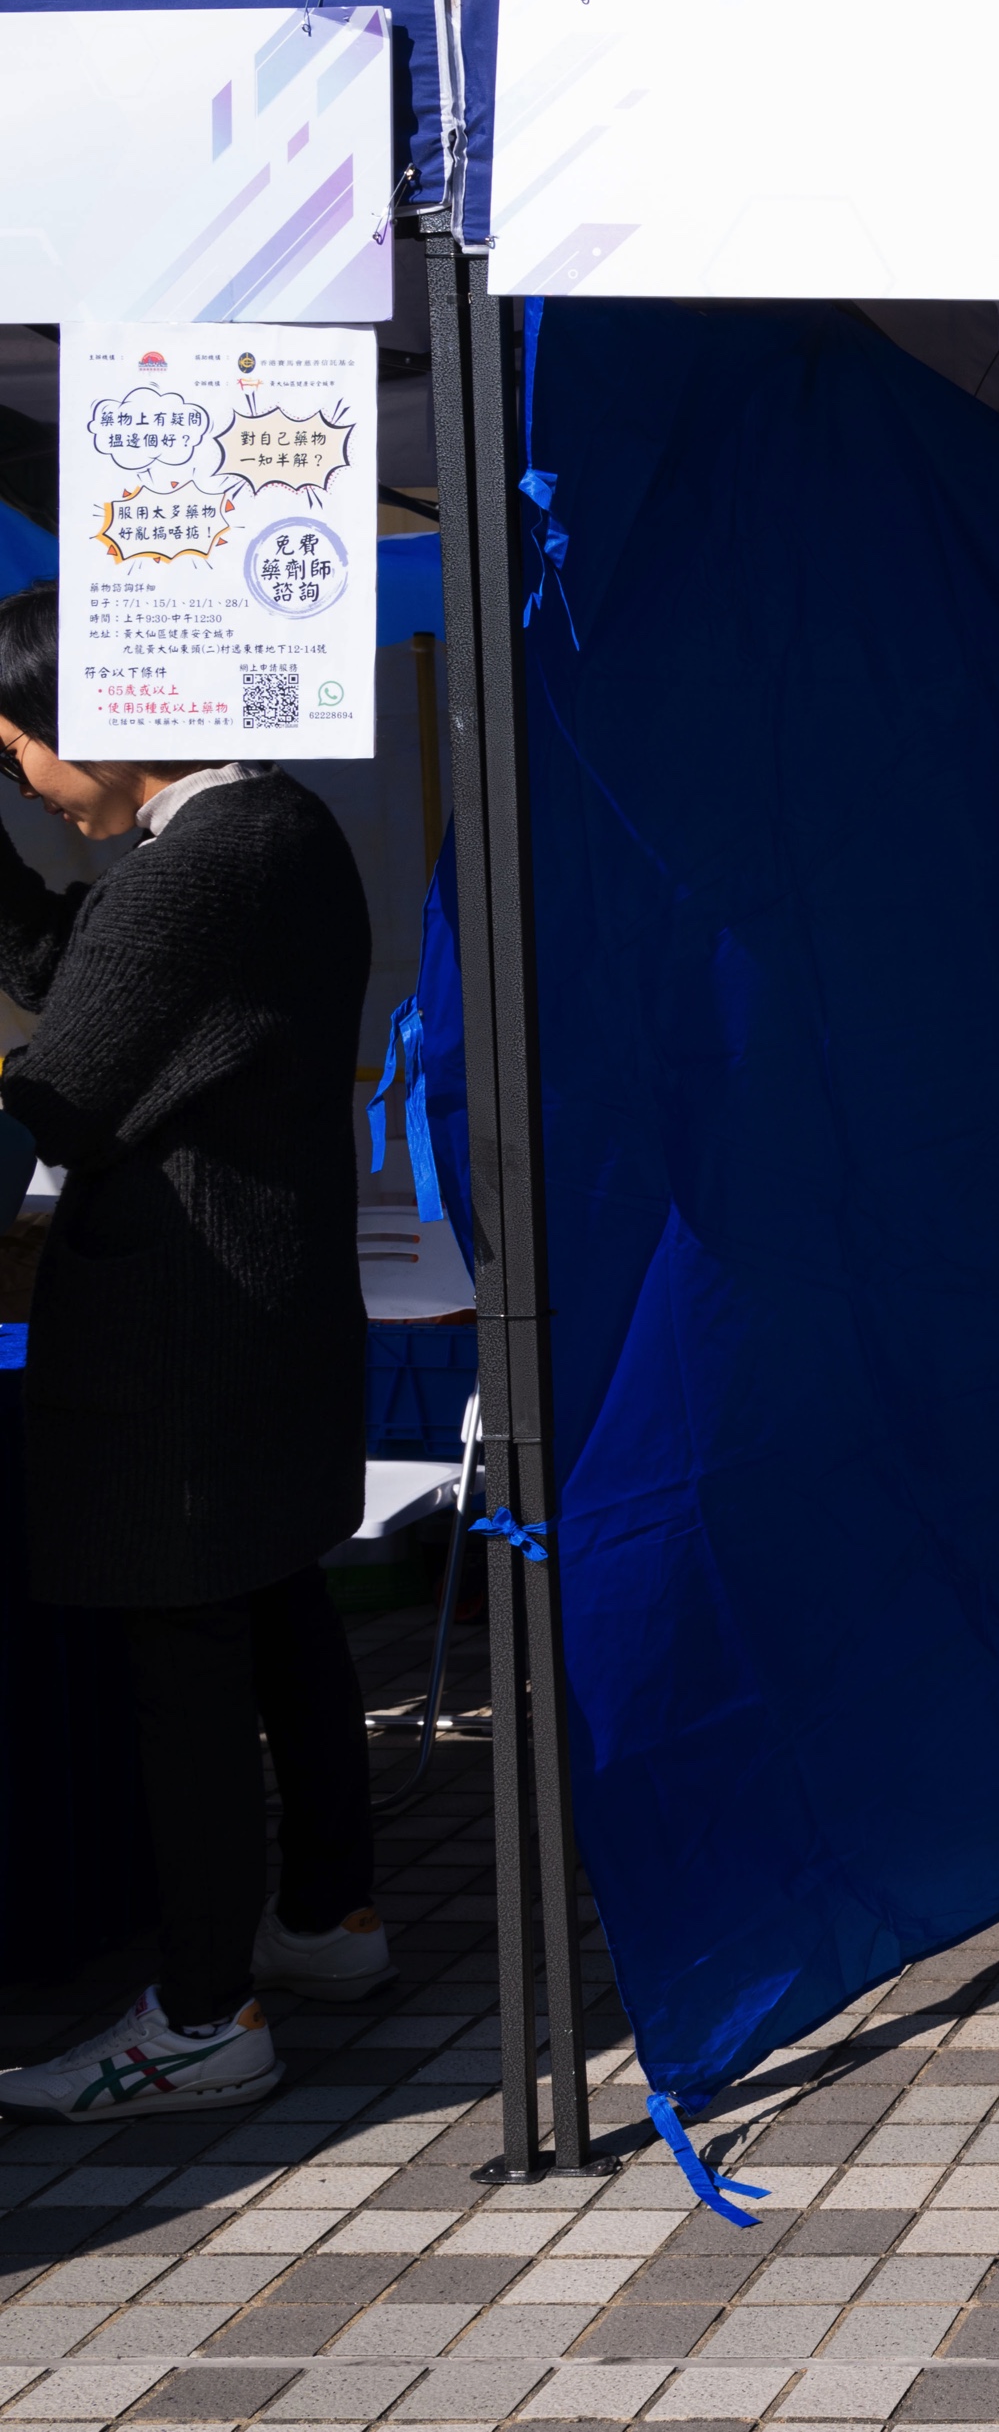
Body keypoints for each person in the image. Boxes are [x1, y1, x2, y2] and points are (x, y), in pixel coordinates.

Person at [0, 583, 385, 2124]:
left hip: (182, 1327)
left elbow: (65, 1083)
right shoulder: (268, 826)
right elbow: (86, 973)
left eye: (19, 748)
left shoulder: (203, 857)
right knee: (278, 1606)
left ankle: (202, 2012)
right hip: (260, 1306)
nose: (25, 779)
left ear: (96, 715)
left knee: (188, 1669)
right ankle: (330, 1914)